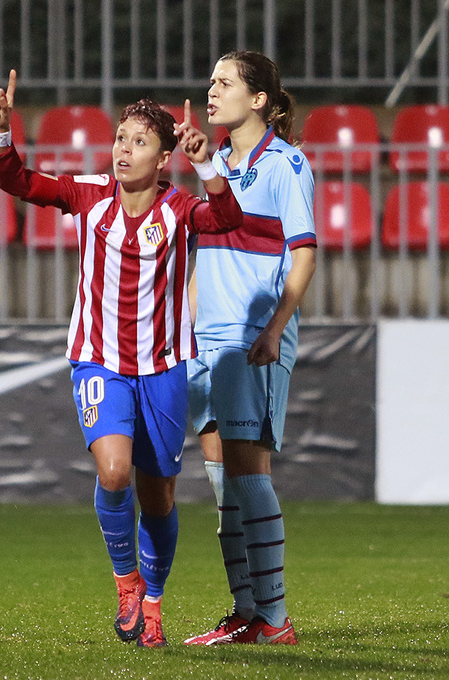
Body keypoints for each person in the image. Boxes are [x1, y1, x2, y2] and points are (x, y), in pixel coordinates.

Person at [0, 70, 243, 647]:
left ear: (163, 156)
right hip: (98, 362)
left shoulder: (179, 209)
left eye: (139, 142)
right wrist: (1, 136)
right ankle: (126, 583)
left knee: (160, 498)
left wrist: (208, 166)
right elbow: (19, 182)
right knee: (114, 472)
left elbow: (227, 220)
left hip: (164, 369)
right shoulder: (88, 194)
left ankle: (152, 603)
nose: (124, 151)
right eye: (121, 139)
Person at [183, 50, 316, 646]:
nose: (212, 92)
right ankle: (246, 611)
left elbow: (305, 252)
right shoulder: (215, 167)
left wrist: (275, 328)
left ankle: (275, 619)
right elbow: (203, 252)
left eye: (225, 83)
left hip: (251, 337)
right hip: (206, 337)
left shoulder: (286, 165)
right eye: (211, 82)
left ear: (259, 98)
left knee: (246, 469)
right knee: (221, 480)